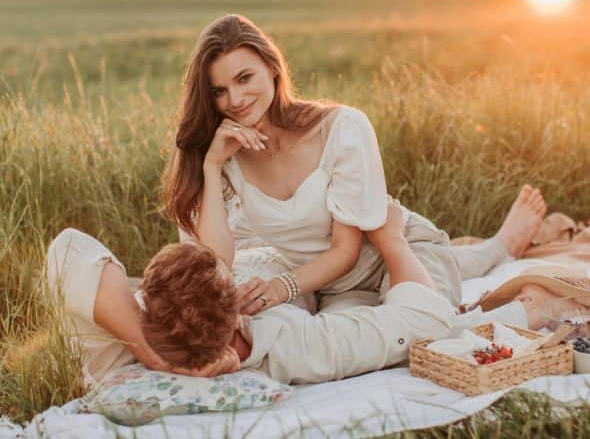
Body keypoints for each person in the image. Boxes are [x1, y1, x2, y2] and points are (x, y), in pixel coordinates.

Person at [163, 13, 547, 315]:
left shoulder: (340, 127)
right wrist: (211, 167)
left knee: (424, 320)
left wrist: (284, 287)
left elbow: (346, 251)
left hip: (393, 248)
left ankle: (501, 247)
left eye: (245, 78)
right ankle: (494, 247)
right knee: (350, 348)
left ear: (272, 68)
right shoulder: (225, 151)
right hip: (328, 284)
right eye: (219, 91)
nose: (236, 99)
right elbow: (216, 263)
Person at [45, 200, 565, 387]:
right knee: (434, 278)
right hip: (370, 262)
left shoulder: (125, 328)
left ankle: (494, 245)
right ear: (233, 315)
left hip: (300, 262)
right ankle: (500, 245)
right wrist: (391, 239)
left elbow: (67, 248)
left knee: (427, 262)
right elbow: (423, 322)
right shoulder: (289, 347)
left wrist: (153, 354)